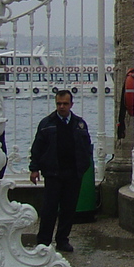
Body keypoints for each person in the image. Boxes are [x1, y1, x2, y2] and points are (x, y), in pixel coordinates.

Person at [28, 89, 92, 252]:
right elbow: (37, 148)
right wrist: (34, 169)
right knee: (49, 209)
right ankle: (43, 241)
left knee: (68, 209)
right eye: (58, 104)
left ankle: (63, 239)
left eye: (65, 104)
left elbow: (86, 148)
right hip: (53, 173)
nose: (61, 107)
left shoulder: (79, 124)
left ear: (71, 104)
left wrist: (82, 168)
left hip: (73, 173)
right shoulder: (46, 123)